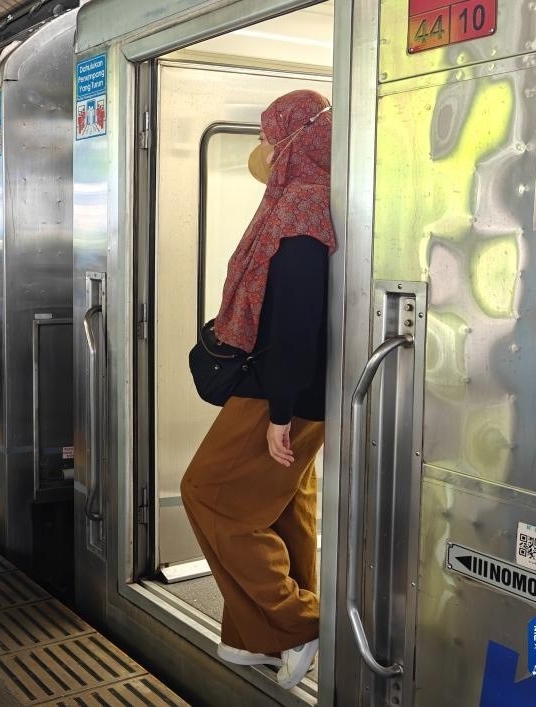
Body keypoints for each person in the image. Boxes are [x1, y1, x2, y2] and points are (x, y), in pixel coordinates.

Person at [180, 90, 334, 691]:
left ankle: (301, 622)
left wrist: (280, 413)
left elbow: (296, 324)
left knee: (210, 496)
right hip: (294, 389)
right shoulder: (309, 202)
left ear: (294, 141)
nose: (263, 148)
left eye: (270, 136)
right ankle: (254, 635)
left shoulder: (300, 215)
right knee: (283, 506)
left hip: (280, 391)